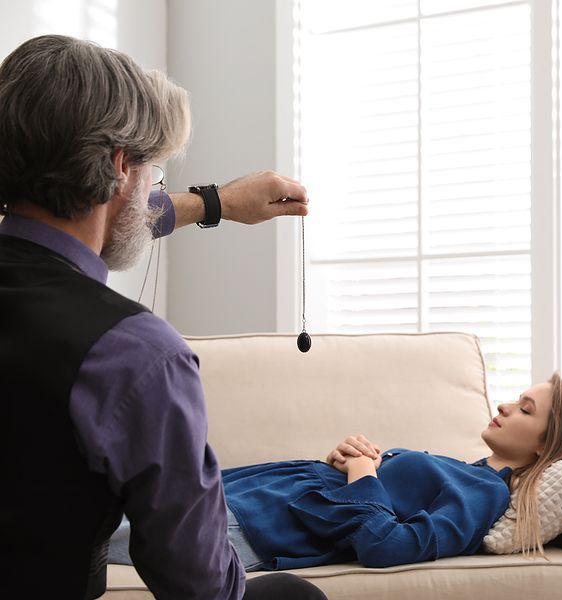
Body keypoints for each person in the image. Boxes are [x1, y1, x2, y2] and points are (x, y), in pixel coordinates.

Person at [0, 35, 325, 600]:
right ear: (120, 168)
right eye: (152, 170)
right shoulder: (135, 354)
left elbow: (117, 216)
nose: (154, 187)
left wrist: (218, 202)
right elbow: (200, 586)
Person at [109, 373, 562, 570]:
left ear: (548, 445)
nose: (507, 405)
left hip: (256, 526)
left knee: (80, 539)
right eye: (517, 397)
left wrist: (362, 473)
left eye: (527, 410)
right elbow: (373, 501)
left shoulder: (484, 494)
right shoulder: (467, 470)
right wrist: (351, 463)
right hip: (253, 496)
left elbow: (389, 546)